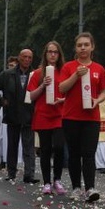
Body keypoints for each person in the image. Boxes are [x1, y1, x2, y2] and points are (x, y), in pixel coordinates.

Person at [58, 32, 105, 202]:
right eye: (79, 45)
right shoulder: (69, 67)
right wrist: (76, 75)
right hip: (71, 117)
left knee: (88, 153)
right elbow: (62, 88)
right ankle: (75, 188)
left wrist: (97, 100)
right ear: (76, 47)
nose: (83, 48)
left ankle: (90, 188)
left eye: (86, 45)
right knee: (73, 154)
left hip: (91, 118)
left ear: (92, 47)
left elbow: (103, 92)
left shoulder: (99, 69)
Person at [0, 49, 37, 183]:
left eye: (29, 57)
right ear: (19, 58)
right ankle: (11, 172)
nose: (27, 59)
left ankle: (29, 174)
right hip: (12, 113)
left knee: (29, 146)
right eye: (24, 57)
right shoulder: (7, 74)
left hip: (29, 114)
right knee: (12, 145)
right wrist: (1, 101)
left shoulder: (35, 74)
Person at [27, 41, 67, 195]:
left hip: (59, 114)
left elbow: (69, 93)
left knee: (58, 147)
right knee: (45, 149)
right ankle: (47, 182)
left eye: (55, 52)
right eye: (50, 51)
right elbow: (31, 96)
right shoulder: (37, 73)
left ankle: (57, 179)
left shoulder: (64, 72)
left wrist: (63, 100)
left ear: (59, 54)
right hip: (43, 114)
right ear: (45, 54)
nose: (52, 54)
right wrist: (42, 86)